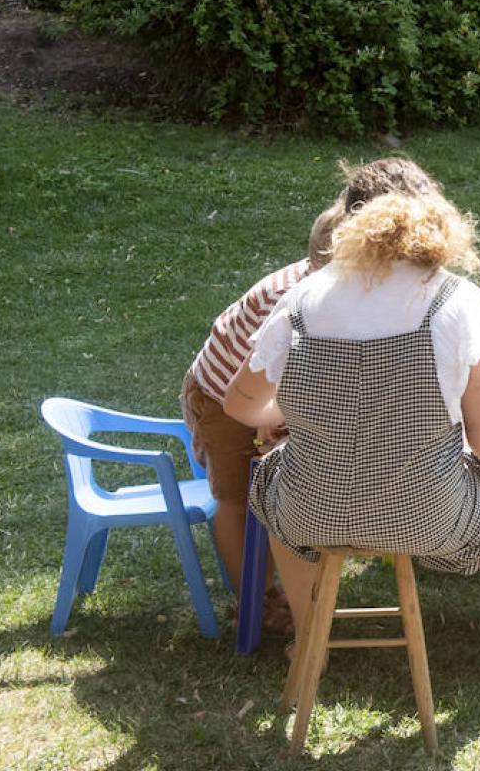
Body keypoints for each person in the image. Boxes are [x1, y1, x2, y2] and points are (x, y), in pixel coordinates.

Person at [225, 167, 480, 676]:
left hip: (315, 512)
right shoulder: (454, 300)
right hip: (431, 518)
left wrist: (296, 415)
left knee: (279, 475)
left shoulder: (304, 299)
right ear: (434, 218)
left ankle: (312, 644)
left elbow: (241, 407)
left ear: (345, 222)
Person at [176, 156, 434, 633]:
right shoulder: (297, 300)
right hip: (220, 393)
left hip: (268, 389)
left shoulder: (340, 293)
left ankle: (300, 576)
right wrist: (279, 418)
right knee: (236, 498)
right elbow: (264, 377)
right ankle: (259, 603)